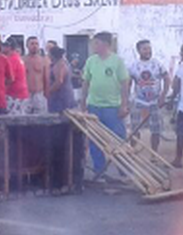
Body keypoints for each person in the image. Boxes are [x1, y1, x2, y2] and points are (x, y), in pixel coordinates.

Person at [80, 32, 130, 176]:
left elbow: (125, 83)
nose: (93, 46)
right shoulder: (91, 61)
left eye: (96, 43)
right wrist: (83, 102)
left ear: (105, 44)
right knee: (95, 140)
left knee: (118, 139)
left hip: (112, 107)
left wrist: (124, 105)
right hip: (94, 106)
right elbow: (86, 82)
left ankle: (124, 169)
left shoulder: (117, 61)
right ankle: (99, 170)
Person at [127, 40, 168, 152]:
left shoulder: (157, 64)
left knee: (156, 129)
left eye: (149, 48)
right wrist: (126, 99)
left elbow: (166, 78)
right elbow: (129, 83)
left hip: (155, 101)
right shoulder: (134, 66)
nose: (148, 51)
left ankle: (154, 153)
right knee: (135, 128)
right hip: (139, 100)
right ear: (139, 51)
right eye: (144, 49)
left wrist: (163, 95)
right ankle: (132, 150)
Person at [23, 37, 50, 115]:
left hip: (39, 94)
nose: (34, 46)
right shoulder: (22, 60)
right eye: (32, 44)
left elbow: (46, 78)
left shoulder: (43, 60)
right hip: (26, 94)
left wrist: (47, 94)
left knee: (40, 119)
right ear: (27, 45)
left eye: (36, 44)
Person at [3, 38, 30, 115]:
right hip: (21, 94)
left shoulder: (11, 59)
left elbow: (10, 78)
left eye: (4, 46)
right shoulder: (17, 57)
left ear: (9, 47)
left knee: (12, 119)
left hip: (15, 95)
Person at [47, 46, 75, 113]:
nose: (48, 55)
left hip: (60, 98)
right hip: (62, 96)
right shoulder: (63, 63)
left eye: (49, 54)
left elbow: (59, 82)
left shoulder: (59, 65)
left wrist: (48, 92)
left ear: (52, 55)